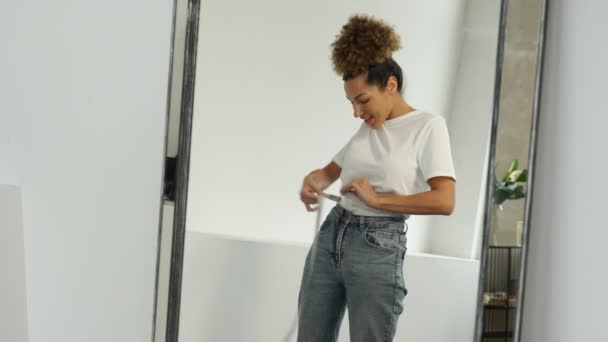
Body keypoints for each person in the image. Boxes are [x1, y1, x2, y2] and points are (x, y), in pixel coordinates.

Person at [296, 14, 456, 342]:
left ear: (390, 85)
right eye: (351, 102)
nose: (356, 111)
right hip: (330, 237)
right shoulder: (366, 129)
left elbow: (445, 200)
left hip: (377, 245)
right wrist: (312, 183)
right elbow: (326, 174)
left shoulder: (427, 126)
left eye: (363, 100)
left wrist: (378, 199)